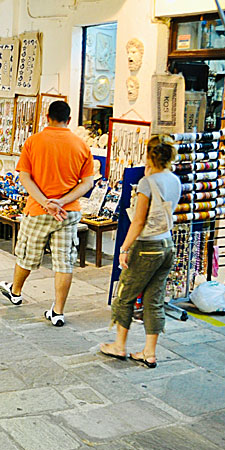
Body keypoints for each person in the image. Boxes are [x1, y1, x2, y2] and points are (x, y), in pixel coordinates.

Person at [0, 100, 94, 327]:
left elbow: (24, 177)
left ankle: (16, 291)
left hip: (38, 210)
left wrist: (45, 202)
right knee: (64, 262)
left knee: (27, 255)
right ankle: (58, 311)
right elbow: (87, 182)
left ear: (47, 116)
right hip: (68, 213)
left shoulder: (34, 142)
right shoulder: (81, 145)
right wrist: (61, 202)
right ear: (69, 120)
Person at [100, 136, 180, 368]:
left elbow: (138, 220)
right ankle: (149, 352)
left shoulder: (148, 182)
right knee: (154, 300)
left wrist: (124, 248)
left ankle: (119, 345)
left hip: (147, 246)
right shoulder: (175, 180)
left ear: (149, 155)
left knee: (124, 295)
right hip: (167, 245)